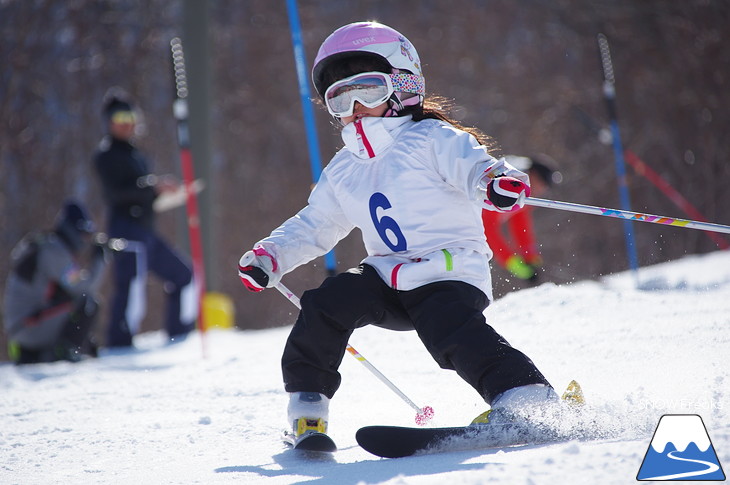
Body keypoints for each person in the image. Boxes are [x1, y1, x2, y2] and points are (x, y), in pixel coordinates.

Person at [238, 21, 563, 441]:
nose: (355, 107)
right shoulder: (343, 168)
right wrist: (272, 256)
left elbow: (474, 166)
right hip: (388, 278)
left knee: (449, 331)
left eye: (367, 91)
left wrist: (495, 182)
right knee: (327, 302)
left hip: (447, 273)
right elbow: (316, 223)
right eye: (340, 99)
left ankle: (526, 399)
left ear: (403, 85)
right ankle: (308, 410)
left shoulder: (432, 138)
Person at [93, 88, 197, 348]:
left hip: (146, 230)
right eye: (119, 119)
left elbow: (142, 191)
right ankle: (120, 344)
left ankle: (179, 335)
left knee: (183, 275)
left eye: (130, 118)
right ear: (109, 122)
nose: (126, 125)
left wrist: (164, 192)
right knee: (131, 288)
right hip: (126, 232)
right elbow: (117, 192)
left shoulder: (135, 154)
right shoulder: (106, 155)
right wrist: (152, 188)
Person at [3, 201, 106, 364]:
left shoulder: (46, 245)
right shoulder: (54, 252)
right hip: (28, 327)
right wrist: (100, 259)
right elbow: (83, 287)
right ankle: (65, 352)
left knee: (70, 300)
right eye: (81, 233)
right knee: (87, 303)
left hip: (22, 329)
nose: (83, 240)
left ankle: (48, 353)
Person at [481, 154, 561, 282]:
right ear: (533, 176)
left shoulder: (522, 196)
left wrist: (531, 258)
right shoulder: (507, 188)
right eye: (542, 185)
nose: (542, 191)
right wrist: (512, 263)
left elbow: (520, 227)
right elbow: (487, 228)